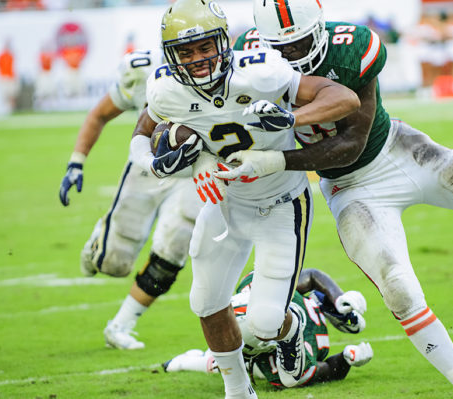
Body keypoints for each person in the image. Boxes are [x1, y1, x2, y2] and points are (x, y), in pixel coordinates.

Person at [217, 1, 453, 398]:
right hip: (351, 190)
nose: (291, 54)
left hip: (398, 150)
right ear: (265, 43)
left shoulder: (352, 48)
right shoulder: (250, 59)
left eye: (300, 42)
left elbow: (352, 145)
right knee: (399, 289)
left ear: (320, 29)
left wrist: (274, 159)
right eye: (281, 47)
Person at [128, 0, 360, 397]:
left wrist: (292, 118)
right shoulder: (166, 87)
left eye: (204, 47)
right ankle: (237, 390)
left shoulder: (262, 72)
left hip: (281, 203)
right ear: (172, 56)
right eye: (186, 52)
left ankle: (292, 329)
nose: (198, 60)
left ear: (224, 42)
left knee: (267, 323)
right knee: (205, 301)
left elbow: (344, 99)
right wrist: (154, 163)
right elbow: (144, 129)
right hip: (225, 203)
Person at [59, 49, 204, 350]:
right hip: (147, 167)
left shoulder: (221, 72)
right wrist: (76, 162)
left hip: (194, 174)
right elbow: (99, 114)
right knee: (113, 263)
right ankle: (101, 240)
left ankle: (120, 326)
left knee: (172, 251)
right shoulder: (144, 72)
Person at [163, 268, 374, 388]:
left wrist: (337, 298)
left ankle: (327, 305)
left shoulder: (253, 286)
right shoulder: (280, 368)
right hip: (270, 355)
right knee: (215, 363)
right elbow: (325, 370)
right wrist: (347, 359)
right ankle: (181, 363)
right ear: (267, 343)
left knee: (219, 356)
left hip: (299, 312)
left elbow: (309, 276)